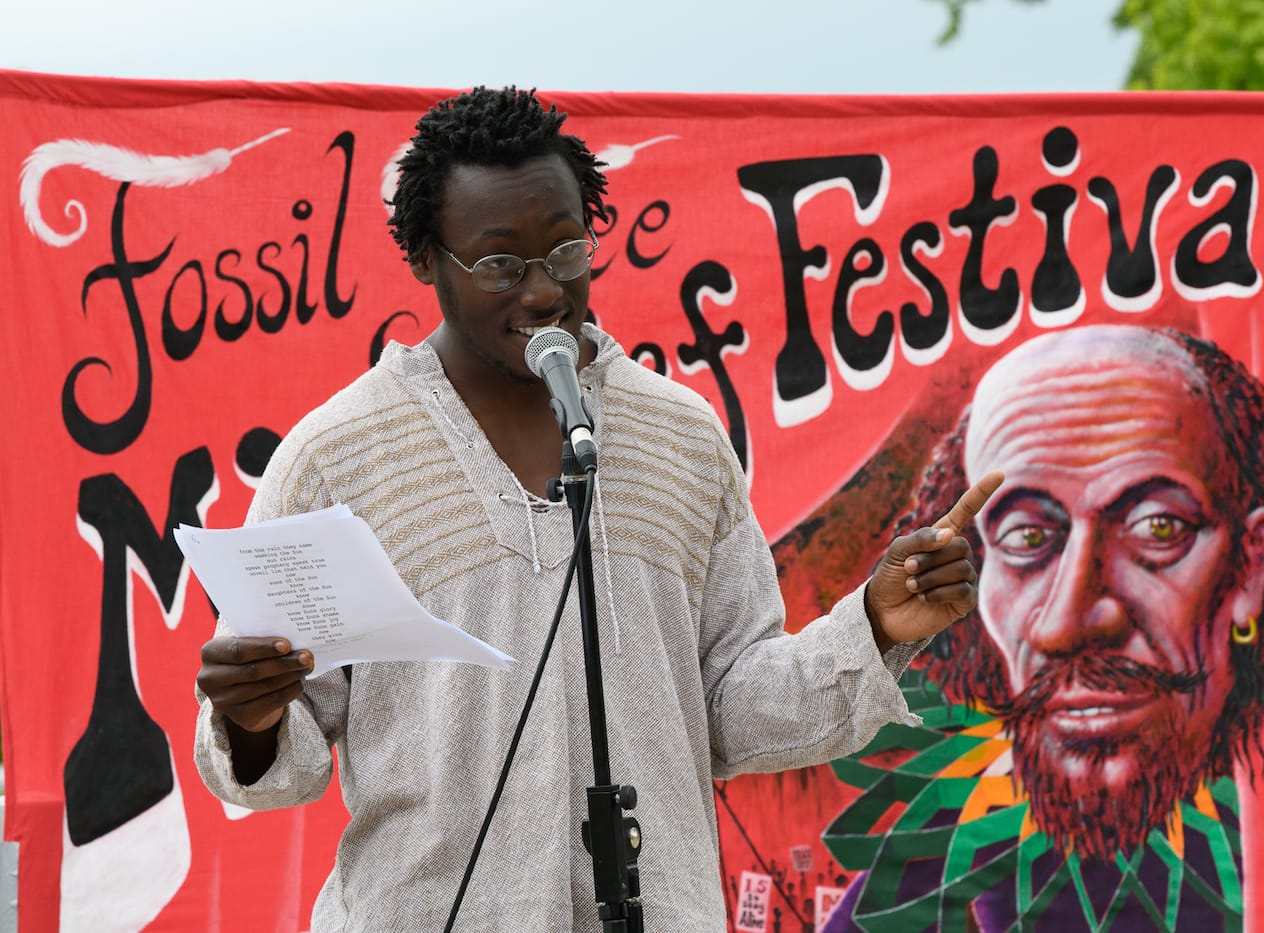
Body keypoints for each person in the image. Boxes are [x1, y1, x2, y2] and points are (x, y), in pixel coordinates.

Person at [192, 86, 1002, 932]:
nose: (544, 290)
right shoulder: (333, 459)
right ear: (428, 260)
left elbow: (730, 711)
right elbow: (282, 762)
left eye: (566, 249)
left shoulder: (682, 436)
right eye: (500, 264)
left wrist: (873, 624)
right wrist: (250, 717)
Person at [827, 323, 1264, 930]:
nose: (1068, 622)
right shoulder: (968, 819)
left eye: (1157, 528)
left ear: (1253, 562)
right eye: (1027, 537)